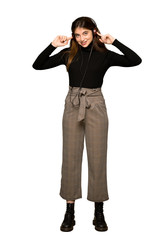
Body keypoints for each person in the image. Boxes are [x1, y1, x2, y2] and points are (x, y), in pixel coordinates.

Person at [32, 16, 142, 232]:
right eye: (77, 34)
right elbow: (38, 65)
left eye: (85, 33)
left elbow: (135, 60)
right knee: (70, 156)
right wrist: (52, 45)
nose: (81, 38)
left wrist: (114, 42)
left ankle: (98, 210)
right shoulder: (67, 55)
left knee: (98, 156)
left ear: (94, 32)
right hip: (72, 104)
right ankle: (69, 210)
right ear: (73, 35)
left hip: (95, 104)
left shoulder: (105, 55)